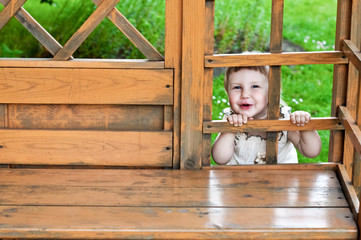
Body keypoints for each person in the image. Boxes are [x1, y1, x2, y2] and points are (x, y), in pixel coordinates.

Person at [211, 65, 322, 165]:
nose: (245, 94)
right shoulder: (231, 118)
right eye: (237, 87)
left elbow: (311, 151)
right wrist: (230, 130)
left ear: (272, 91)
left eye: (255, 86)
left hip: (280, 183)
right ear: (227, 91)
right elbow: (220, 158)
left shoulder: (283, 118)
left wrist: (305, 127)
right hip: (239, 183)